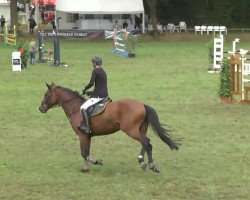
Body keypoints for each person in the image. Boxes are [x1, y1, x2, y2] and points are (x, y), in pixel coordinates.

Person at [78, 56, 109, 133]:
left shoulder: (95, 71)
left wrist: (85, 89)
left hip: (98, 96)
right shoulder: (103, 71)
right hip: (104, 94)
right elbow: (100, 86)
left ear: (95, 63)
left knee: (83, 107)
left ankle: (87, 127)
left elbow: (91, 83)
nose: (92, 64)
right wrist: (90, 92)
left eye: (93, 62)